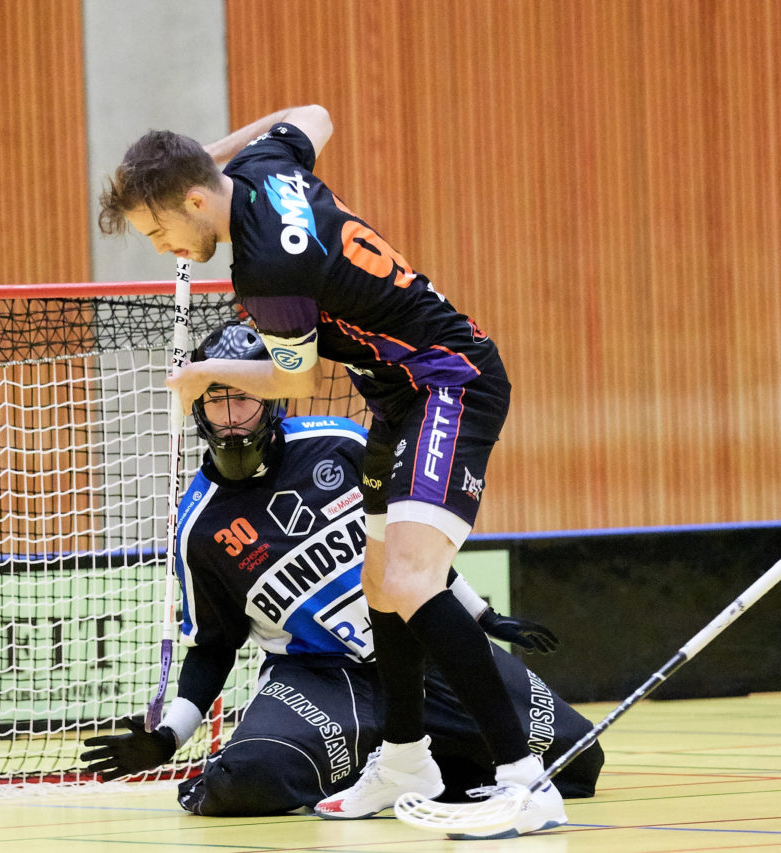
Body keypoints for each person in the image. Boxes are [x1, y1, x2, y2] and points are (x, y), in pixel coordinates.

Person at [97, 107, 562, 837]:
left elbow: (295, 381)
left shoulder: (264, 273)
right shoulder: (265, 165)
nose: (168, 251)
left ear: (189, 201)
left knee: (411, 581)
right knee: (383, 582)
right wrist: (198, 160)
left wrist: (199, 376)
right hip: (397, 396)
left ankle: (523, 782)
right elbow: (313, 112)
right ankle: (407, 760)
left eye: (159, 233)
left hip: (447, 383)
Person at [80, 323, 603, 820]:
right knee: (240, 781)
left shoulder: (341, 443)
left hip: (416, 654)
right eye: (217, 402)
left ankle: (401, 765)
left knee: (578, 760)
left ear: (272, 401)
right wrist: (169, 735)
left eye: (242, 398)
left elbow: (411, 555)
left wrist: (482, 616)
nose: (232, 417)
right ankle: (369, 756)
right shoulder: (198, 526)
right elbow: (214, 646)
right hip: (319, 680)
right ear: (199, 410)